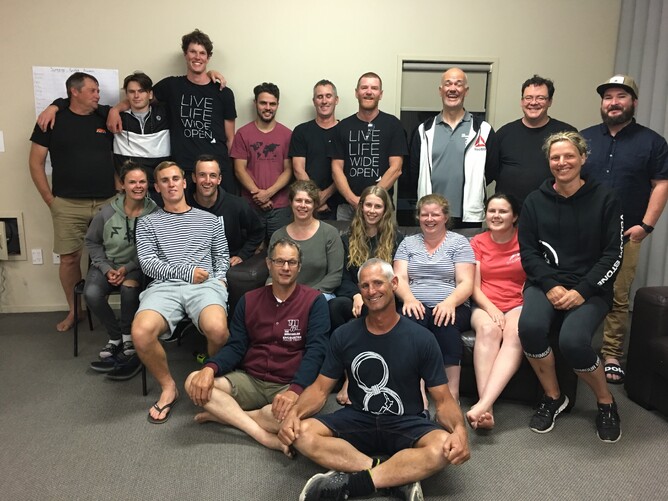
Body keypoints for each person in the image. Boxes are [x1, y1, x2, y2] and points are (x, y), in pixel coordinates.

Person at [278, 259, 469, 501]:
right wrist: (294, 414)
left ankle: (355, 483)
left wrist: (459, 430)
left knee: (443, 447)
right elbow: (319, 389)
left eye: (378, 283)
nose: (371, 291)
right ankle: (393, 477)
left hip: (406, 420)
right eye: (365, 286)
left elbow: (443, 400)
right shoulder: (344, 335)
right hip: (358, 417)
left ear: (394, 284)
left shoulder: (422, 338)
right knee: (301, 433)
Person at [518, 131, 623, 443]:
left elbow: (613, 254)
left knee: (573, 341)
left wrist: (583, 291)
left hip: (590, 287)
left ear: (583, 158)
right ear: (548, 162)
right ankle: (553, 397)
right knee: (530, 328)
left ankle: (606, 402)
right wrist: (550, 285)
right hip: (545, 283)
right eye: (555, 157)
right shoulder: (534, 201)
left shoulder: (606, 198)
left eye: (569, 156)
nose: (562, 162)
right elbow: (528, 253)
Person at [184, 238, 330, 454]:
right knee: (193, 381)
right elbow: (236, 346)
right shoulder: (249, 300)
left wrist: (295, 391)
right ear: (269, 264)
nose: (286, 267)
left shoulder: (315, 301)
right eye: (279, 261)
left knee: (294, 420)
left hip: (288, 385)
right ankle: (262, 435)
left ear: (299, 267)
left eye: (292, 262)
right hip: (251, 380)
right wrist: (210, 368)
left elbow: (316, 352)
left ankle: (227, 416)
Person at [581, 74, 668, 384]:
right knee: (578, 290)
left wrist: (646, 226)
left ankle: (612, 353)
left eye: (621, 96)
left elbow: (661, 184)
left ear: (634, 102)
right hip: (583, 233)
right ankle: (577, 348)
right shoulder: (584, 138)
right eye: (608, 97)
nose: (613, 102)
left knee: (618, 296)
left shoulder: (653, 142)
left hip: (626, 234)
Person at [133, 161, 230, 424]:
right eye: (164, 180)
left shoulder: (209, 220)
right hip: (164, 286)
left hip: (204, 285)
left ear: (185, 183)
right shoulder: (147, 223)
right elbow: (148, 264)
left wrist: (220, 280)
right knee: (141, 332)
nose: (171, 184)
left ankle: (210, 379)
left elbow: (222, 256)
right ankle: (169, 388)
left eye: (176, 178)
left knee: (218, 330)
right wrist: (186, 272)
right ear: (157, 187)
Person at [29, 72, 117, 332]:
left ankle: (110, 311)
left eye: (98, 90)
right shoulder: (52, 120)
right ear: (74, 92)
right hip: (67, 204)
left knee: (116, 254)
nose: (98, 95)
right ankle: (74, 311)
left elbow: (123, 109)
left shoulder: (104, 116)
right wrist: (50, 199)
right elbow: (35, 163)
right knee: (69, 259)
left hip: (107, 200)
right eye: (92, 90)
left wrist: (114, 109)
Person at [107, 29, 237, 193]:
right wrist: (116, 110)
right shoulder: (171, 86)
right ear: (185, 55)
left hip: (216, 169)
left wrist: (231, 170)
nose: (197, 57)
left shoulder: (223, 92)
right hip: (182, 170)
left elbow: (230, 139)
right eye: (193, 52)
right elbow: (142, 97)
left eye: (202, 53)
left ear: (208, 57)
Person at [394, 194, 475, 403]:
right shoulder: (408, 243)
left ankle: (451, 396)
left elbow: (466, 282)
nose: (429, 219)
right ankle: (417, 393)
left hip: (453, 304)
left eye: (435, 214)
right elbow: (399, 278)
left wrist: (449, 303)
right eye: (424, 214)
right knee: (411, 323)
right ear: (418, 217)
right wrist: (409, 299)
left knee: (445, 322)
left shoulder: (459, 243)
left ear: (445, 217)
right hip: (415, 303)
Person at [329, 185, 403, 405]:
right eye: (368, 205)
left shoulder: (396, 239)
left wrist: (373, 294)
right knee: (335, 306)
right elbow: (343, 278)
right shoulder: (347, 238)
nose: (372, 210)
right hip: (357, 297)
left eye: (377, 206)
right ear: (361, 207)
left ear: (385, 210)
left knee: (371, 311)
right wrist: (356, 294)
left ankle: (355, 380)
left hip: (384, 297)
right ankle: (347, 376)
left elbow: (397, 278)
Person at [84, 162, 158, 380]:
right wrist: (107, 268)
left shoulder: (155, 213)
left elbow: (154, 248)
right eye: (132, 182)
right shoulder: (106, 212)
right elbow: (92, 242)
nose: (138, 186)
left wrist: (127, 268)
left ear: (148, 184)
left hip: (137, 266)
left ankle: (128, 337)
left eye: (142, 181)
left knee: (129, 290)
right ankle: (115, 336)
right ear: (122, 185)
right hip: (107, 264)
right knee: (91, 293)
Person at [466, 193, 525, 429]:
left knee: (515, 334)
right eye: (492, 211)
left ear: (515, 216)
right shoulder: (477, 242)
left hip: (517, 303)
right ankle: (486, 410)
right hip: (483, 303)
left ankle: (482, 405)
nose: (496, 216)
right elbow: (473, 287)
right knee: (489, 330)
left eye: (503, 211)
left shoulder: (526, 240)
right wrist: (492, 309)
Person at [410, 67, 496, 228]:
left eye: (458, 84)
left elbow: (491, 170)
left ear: (466, 91)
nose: (453, 89)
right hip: (431, 215)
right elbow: (414, 172)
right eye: (448, 84)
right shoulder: (423, 131)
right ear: (440, 90)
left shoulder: (483, 130)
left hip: (469, 216)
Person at [331, 72, 408, 221]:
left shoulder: (393, 125)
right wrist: (353, 200)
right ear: (356, 93)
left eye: (374, 88)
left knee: (385, 238)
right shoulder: (342, 127)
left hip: (381, 205)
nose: (368, 92)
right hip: (347, 207)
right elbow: (336, 169)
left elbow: (396, 168)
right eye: (364, 87)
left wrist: (371, 200)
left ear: (381, 94)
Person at [489, 75, 577, 205]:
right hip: (511, 213)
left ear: (550, 101)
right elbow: (490, 171)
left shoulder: (566, 134)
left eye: (540, 98)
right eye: (528, 98)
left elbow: (575, 173)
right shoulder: (504, 133)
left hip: (552, 209)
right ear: (522, 101)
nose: (533, 102)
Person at [230, 82, 293, 241]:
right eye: (263, 103)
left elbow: (289, 170)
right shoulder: (242, 133)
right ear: (255, 103)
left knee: (280, 250)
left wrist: (268, 193)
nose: (268, 107)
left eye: (272, 104)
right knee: (251, 251)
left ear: (277, 105)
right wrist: (259, 196)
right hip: (250, 205)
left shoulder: (287, 134)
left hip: (280, 206)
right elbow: (239, 169)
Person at [268, 180, 343, 299]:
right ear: (291, 202)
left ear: (315, 205)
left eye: (308, 201)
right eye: (298, 200)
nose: (302, 205)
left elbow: (335, 276)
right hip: (285, 295)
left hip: (319, 295)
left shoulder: (330, 233)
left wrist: (304, 296)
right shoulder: (278, 235)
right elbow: (272, 274)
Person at [188, 154, 264, 266]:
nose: (207, 181)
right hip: (192, 267)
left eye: (213, 175)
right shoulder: (184, 205)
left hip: (228, 267)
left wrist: (242, 255)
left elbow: (258, 231)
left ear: (219, 179)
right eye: (202, 175)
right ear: (194, 177)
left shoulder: (236, 205)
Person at [112, 72, 171, 204]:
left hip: (158, 190)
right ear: (126, 95)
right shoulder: (117, 118)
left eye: (141, 91)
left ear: (150, 94)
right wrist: (114, 110)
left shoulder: (166, 114)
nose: (136, 96)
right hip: (128, 191)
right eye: (131, 92)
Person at [289, 79, 340, 219]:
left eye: (328, 96)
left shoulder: (345, 131)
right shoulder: (301, 131)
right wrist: (314, 198)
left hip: (338, 206)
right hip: (306, 205)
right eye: (319, 97)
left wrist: (323, 197)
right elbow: (298, 168)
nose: (324, 101)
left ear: (336, 100)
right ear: (314, 101)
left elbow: (345, 171)